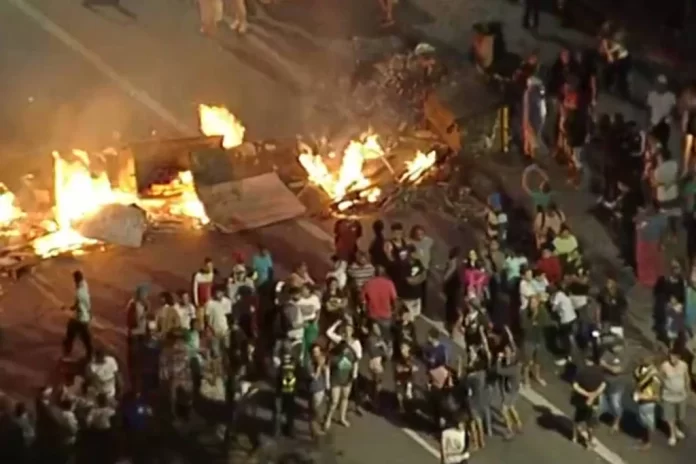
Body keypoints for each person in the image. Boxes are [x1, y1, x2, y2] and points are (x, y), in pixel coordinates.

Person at [571, 364, 605, 448]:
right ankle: (589, 441)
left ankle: (574, 437)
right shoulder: (599, 371)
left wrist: (586, 394)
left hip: (580, 400)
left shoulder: (581, 370)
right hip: (593, 401)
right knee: (591, 423)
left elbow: (575, 386)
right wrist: (593, 395)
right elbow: (603, 385)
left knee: (578, 418)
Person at [660, 351, 690, 446]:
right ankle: (672, 435)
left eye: (675, 356)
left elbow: (687, 378)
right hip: (668, 396)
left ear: (679, 356)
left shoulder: (684, 365)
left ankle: (676, 428)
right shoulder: (664, 366)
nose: (672, 358)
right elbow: (660, 377)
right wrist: (661, 389)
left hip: (681, 396)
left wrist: (687, 390)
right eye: (671, 356)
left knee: (679, 416)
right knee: (670, 417)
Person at [63, 270, 93, 360]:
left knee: (71, 333)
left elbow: (79, 305)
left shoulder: (79, 293)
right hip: (86, 316)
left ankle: (67, 352)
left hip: (81, 318)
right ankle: (89, 353)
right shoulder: (84, 285)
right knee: (86, 338)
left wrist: (74, 309)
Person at [633, 356, 660, 449]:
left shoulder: (654, 377)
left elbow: (656, 396)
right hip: (641, 400)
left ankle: (648, 442)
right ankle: (644, 437)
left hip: (648, 402)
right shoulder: (640, 371)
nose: (643, 360)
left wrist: (643, 397)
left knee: (648, 423)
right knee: (642, 421)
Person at [598, 340, 625, 432]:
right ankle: (596, 420)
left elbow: (617, 370)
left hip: (617, 385)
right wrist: (608, 367)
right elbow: (600, 362)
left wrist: (606, 365)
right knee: (601, 403)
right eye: (613, 346)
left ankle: (616, 423)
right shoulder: (607, 352)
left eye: (616, 346)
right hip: (604, 383)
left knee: (616, 404)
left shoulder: (623, 356)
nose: (614, 348)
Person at [647, 75, 676, 148]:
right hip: (653, 123)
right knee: (651, 144)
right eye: (657, 84)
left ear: (665, 86)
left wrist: (667, 117)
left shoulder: (671, 96)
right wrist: (648, 121)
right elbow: (649, 109)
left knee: (661, 145)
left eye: (661, 85)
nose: (658, 87)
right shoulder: (652, 95)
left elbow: (674, 109)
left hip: (664, 126)